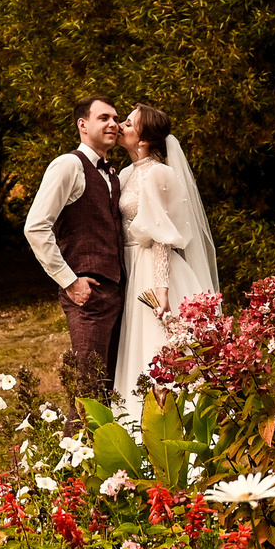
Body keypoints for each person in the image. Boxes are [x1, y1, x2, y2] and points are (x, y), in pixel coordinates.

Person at [110, 103, 221, 403]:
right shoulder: (126, 173)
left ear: (144, 140)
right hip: (132, 265)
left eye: (128, 124)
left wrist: (162, 292)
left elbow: (161, 237)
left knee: (157, 344)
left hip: (153, 268)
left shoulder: (158, 173)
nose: (120, 126)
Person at [22, 95, 127, 398]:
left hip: (117, 292)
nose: (113, 124)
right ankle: (75, 433)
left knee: (110, 392)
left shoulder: (112, 175)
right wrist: (69, 281)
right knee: (88, 392)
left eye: (115, 118)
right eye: (103, 118)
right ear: (83, 124)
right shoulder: (69, 165)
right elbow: (36, 227)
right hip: (87, 295)